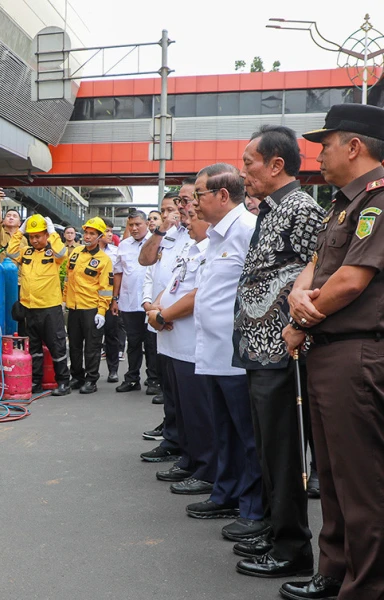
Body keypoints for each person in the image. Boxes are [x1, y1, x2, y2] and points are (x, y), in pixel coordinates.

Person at [282, 103, 384, 600]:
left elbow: (350, 281)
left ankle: (366, 587)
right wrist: (296, 296)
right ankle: (336, 570)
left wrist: (301, 318)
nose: (318, 155)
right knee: (333, 475)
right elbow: (318, 264)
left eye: (325, 145)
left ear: (354, 146)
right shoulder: (342, 204)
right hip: (328, 350)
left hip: (356, 353)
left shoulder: (378, 201)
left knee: (362, 482)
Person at [232, 125, 324, 578]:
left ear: (276, 164)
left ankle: (292, 548)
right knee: (269, 447)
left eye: (248, 163)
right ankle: (274, 528)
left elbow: (318, 275)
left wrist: (297, 329)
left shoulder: (302, 209)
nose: (243, 172)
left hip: (283, 348)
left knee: (284, 449)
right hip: (259, 347)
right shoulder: (272, 209)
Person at [184, 164, 264, 539]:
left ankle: (253, 507)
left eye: (199, 194)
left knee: (248, 436)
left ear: (222, 195)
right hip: (214, 351)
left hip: (238, 355)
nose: (194, 202)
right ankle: (226, 493)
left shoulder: (247, 229)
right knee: (225, 433)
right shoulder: (216, 235)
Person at [147, 205, 215, 495]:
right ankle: (189, 460)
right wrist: (156, 306)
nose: (187, 222)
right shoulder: (191, 248)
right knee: (183, 411)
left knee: (198, 413)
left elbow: (197, 295)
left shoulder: (211, 249)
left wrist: (163, 316)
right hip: (172, 344)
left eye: (193, 217)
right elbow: (174, 284)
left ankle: (206, 469)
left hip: (190, 344)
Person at [140, 190, 193, 464]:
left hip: (181, 322)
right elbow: (146, 261)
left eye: (176, 206)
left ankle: (188, 448)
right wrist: (161, 229)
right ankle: (172, 438)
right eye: (167, 209)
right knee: (170, 388)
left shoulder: (199, 235)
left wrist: (164, 311)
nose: (174, 211)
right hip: (162, 319)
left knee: (188, 395)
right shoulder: (168, 234)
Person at [6, 214, 71, 396]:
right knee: (33, 348)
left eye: (38, 236)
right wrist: (20, 232)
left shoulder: (53, 254)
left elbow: (62, 253)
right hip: (29, 308)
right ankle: (36, 381)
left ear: (46, 235)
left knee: (56, 346)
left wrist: (52, 232)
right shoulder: (26, 252)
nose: (34, 240)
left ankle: (63, 382)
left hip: (49, 308)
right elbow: (10, 252)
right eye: (31, 237)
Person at [65, 217, 113, 394]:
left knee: (92, 346)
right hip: (74, 307)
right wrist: (64, 299)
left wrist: (101, 311)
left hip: (91, 308)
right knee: (75, 345)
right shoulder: (76, 252)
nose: (87, 236)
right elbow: (68, 278)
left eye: (92, 234)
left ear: (99, 236)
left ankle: (91, 379)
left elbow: (106, 289)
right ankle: (77, 377)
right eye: (86, 233)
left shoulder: (104, 260)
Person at [111, 210, 158, 395]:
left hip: (150, 301)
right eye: (131, 225)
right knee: (133, 342)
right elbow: (118, 273)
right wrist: (115, 299)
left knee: (152, 343)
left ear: (146, 224)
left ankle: (153, 379)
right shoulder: (123, 245)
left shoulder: (156, 241)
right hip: (129, 302)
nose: (134, 228)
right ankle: (132, 378)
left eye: (138, 224)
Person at [100, 219, 125, 383]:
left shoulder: (116, 252)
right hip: (90, 300)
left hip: (109, 300)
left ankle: (113, 370)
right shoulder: (83, 252)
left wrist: (115, 299)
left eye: (111, 231)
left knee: (111, 335)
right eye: (106, 231)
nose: (110, 234)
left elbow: (118, 276)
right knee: (92, 338)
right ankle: (90, 374)